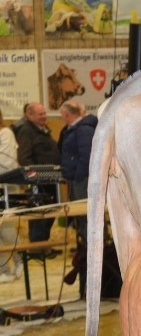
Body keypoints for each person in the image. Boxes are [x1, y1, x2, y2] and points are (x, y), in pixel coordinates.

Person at [58, 100, 98, 292]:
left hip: (81, 181)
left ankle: (89, 254)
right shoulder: (78, 129)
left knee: (85, 219)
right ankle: (85, 252)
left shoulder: (82, 130)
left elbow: (87, 156)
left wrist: (78, 177)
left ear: (67, 114)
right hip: (77, 180)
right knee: (81, 221)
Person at [10, 101, 60, 242]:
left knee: (51, 212)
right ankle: (38, 248)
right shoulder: (26, 131)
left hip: (51, 180)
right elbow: (24, 157)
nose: (44, 116)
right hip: (39, 183)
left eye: (45, 113)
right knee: (39, 216)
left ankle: (43, 245)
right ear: (29, 115)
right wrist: (36, 177)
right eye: (40, 114)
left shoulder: (43, 129)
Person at [0, 107, 20, 283]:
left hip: (6, 186)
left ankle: (19, 261)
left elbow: (5, 163)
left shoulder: (6, 133)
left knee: (7, 229)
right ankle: (3, 270)